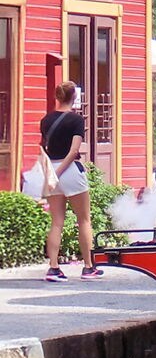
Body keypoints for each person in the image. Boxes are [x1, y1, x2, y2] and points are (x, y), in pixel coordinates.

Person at [40, 80, 99, 282]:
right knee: (83, 219)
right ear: (74, 98)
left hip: (51, 172)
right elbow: (74, 150)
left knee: (56, 222)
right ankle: (88, 267)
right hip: (69, 171)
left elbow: (43, 149)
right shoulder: (76, 120)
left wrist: (51, 174)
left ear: (57, 96)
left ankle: (54, 267)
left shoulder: (46, 120)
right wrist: (60, 171)